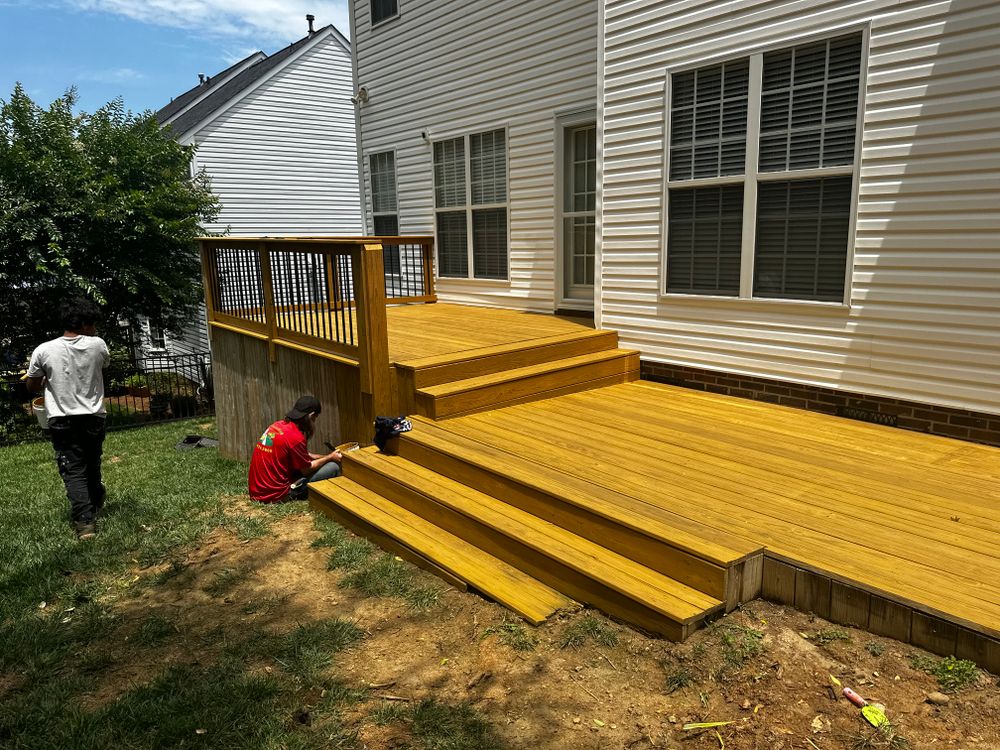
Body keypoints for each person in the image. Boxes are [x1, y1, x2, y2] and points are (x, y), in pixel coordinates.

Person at [26, 298, 110, 540]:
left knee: (73, 469)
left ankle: (85, 523)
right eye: (92, 323)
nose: (94, 329)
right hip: (94, 416)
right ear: (83, 323)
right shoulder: (98, 345)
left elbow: (32, 386)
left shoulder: (43, 350)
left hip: (62, 419)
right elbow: (101, 367)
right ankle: (95, 498)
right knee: (92, 462)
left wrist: (43, 381)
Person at [248, 395, 342, 503]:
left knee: (325, 463)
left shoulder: (276, 426)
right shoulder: (296, 438)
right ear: (311, 416)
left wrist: (329, 456)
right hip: (275, 496)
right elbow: (306, 470)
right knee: (333, 467)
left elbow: (305, 455)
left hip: (256, 492)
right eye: (315, 418)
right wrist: (330, 458)